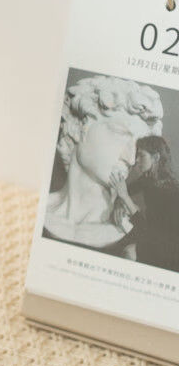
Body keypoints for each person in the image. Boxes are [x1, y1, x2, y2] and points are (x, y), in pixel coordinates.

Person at [44, 75, 163, 254]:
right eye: (121, 134)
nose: (131, 159)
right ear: (79, 128)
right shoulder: (33, 208)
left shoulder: (131, 235)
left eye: (138, 147)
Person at [112, 136, 179, 271]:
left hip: (168, 250)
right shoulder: (148, 179)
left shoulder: (169, 192)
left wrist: (125, 198)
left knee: (127, 252)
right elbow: (127, 190)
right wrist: (119, 201)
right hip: (154, 237)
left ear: (156, 157)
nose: (136, 160)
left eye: (141, 156)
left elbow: (147, 229)